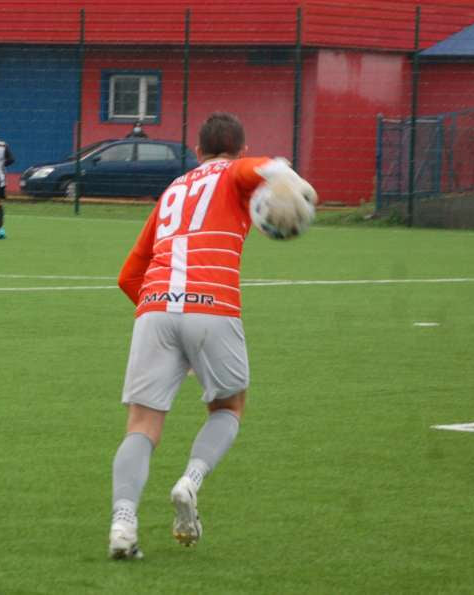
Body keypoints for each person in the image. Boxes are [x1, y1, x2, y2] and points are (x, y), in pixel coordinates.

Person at [107, 112, 316, 559]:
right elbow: (254, 169)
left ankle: (123, 524)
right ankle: (190, 481)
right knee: (229, 406)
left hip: (154, 307)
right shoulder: (235, 171)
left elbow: (129, 276)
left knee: (142, 425)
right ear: (240, 149)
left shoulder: (172, 191)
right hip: (212, 304)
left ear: (196, 151)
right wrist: (286, 175)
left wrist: (164, 325)